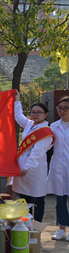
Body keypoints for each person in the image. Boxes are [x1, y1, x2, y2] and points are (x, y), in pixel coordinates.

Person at [11, 92, 52, 223]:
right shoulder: (29, 124)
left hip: (35, 169)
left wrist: (27, 168)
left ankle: (37, 226)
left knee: (37, 199)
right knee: (24, 198)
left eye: (39, 112)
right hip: (23, 166)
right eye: (33, 112)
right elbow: (18, 116)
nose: (35, 114)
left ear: (45, 114)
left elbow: (37, 152)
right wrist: (17, 100)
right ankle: (25, 224)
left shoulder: (45, 132)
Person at [47, 96, 69, 240]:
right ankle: (62, 229)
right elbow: (47, 145)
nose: (62, 111)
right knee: (60, 199)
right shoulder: (53, 126)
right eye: (60, 108)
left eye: (66, 108)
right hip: (58, 167)